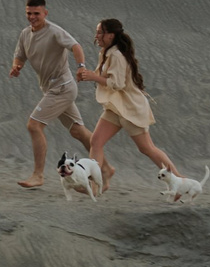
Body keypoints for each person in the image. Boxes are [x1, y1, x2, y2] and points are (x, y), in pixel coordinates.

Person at [77, 17, 181, 191]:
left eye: (100, 32)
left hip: (130, 109)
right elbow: (104, 76)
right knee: (96, 141)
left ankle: (179, 181)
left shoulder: (117, 55)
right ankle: (94, 184)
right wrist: (87, 76)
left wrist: (93, 77)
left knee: (147, 148)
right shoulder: (107, 52)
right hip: (115, 107)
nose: (96, 36)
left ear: (110, 35)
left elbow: (117, 84)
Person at [7, 0, 95, 188]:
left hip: (61, 88)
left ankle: (38, 175)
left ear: (45, 13)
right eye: (29, 13)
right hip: (52, 89)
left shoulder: (54, 31)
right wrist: (17, 67)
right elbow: (20, 56)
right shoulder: (25, 34)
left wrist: (81, 66)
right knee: (77, 131)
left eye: (36, 13)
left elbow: (75, 46)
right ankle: (103, 167)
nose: (32, 17)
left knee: (34, 125)